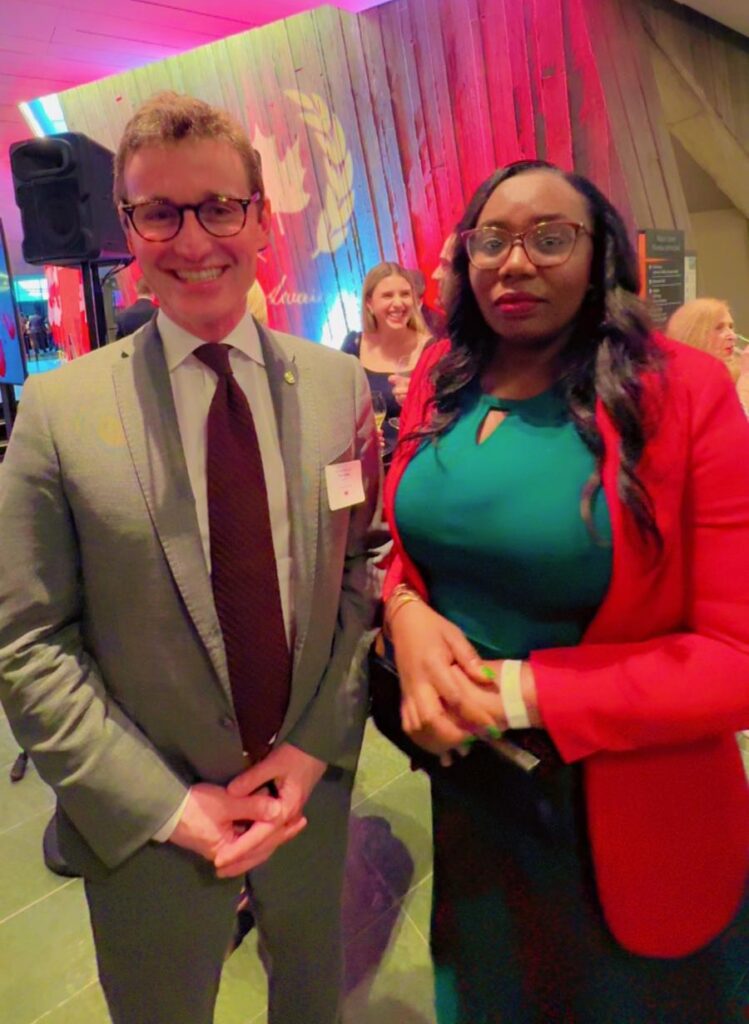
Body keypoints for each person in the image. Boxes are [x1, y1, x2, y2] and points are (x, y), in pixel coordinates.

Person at [0, 91, 386, 1024]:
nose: (193, 241)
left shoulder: (338, 387)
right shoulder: (57, 415)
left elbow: (359, 569)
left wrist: (314, 746)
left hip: (308, 800)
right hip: (147, 823)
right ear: (127, 226)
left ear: (260, 218)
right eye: (160, 213)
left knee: (311, 999)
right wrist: (170, 809)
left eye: (218, 207)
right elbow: (27, 642)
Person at [381, 160, 749, 1023]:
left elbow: (736, 658)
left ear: (599, 256)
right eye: (491, 241)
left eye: (550, 238)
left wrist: (516, 690)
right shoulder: (442, 374)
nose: (515, 262)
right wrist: (402, 612)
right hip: (473, 795)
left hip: (629, 811)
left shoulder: (681, 391)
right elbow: (412, 543)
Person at [342, 261, 430, 462]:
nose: (398, 303)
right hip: (372, 465)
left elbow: (449, 415)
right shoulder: (353, 346)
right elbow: (339, 411)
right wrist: (361, 436)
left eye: (405, 294)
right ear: (369, 304)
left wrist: (419, 400)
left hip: (419, 461)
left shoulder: (432, 349)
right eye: (388, 295)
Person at [666, 296, 749, 416]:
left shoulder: (734, 374)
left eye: (731, 327)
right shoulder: (682, 386)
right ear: (693, 334)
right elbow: (734, 426)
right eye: (719, 328)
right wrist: (745, 383)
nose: (732, 336)